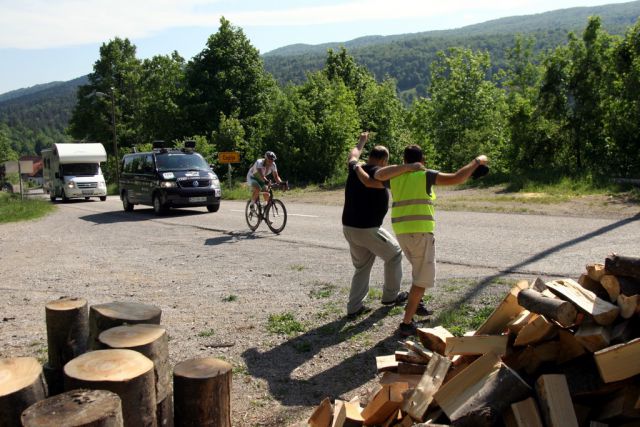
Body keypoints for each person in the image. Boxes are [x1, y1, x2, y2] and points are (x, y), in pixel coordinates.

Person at [375, 144, 488, 336]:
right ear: (422, 160)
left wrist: (406, 168)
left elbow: (378, 175)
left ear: (404, 160)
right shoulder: (424, 175)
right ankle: (406, 323)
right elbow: (457, 178)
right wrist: (476, 162)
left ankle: (416, 304)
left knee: (419, 273)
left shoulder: (396, 176)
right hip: (420, 233)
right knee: (422, 279)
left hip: (403, 233)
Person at [342, 132, 425, 318]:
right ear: (383, 160)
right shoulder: (374, 171)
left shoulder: (356, 166)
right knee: (394, 254)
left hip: (349, 227)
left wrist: (362, 140)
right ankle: (391, 296)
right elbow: (378, 177)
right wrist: (409, 166)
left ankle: (354, 307)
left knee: (362, 267)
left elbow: (353, 153)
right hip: (368, 229)